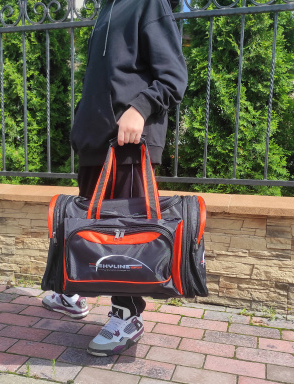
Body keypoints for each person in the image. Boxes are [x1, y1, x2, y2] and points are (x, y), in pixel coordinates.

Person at [42, 0, 187, 357]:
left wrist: (140, 108)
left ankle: (127, 315)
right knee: (91, 226)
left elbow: (173, 75)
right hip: (95, 141)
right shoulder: (106, 8)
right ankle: (73, 291)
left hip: (129, 144)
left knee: (125, 234)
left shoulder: (147, 3)